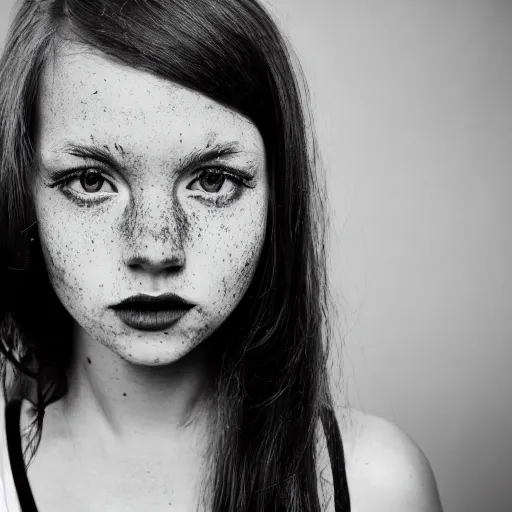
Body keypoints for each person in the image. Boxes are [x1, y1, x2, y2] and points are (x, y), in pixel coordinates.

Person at [0, 0, 444, 511]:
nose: (155, 249)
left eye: (212, 180)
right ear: (20, 191)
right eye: (91, 180)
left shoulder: (378, 487)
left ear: (276, 196)